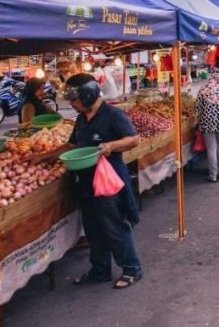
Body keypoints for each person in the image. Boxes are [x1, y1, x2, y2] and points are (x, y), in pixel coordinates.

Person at [64, 74, 142, 289]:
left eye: (74, 99)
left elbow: (134, 139)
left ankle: (131, 269)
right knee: (93, 229)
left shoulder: (113, 115)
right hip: (85, 182)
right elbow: (72, 146)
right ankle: (100, 270)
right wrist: (43, 156)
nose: (71, 104)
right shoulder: (81, 118)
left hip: (108, 182)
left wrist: (110, 146)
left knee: (114, 227)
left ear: (87, 95)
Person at [195, 76, 219, 182]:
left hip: (207, 122)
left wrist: (199, 122)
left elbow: (198, 109)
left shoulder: (203, 90)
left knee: (211, 148)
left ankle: (213, 176)